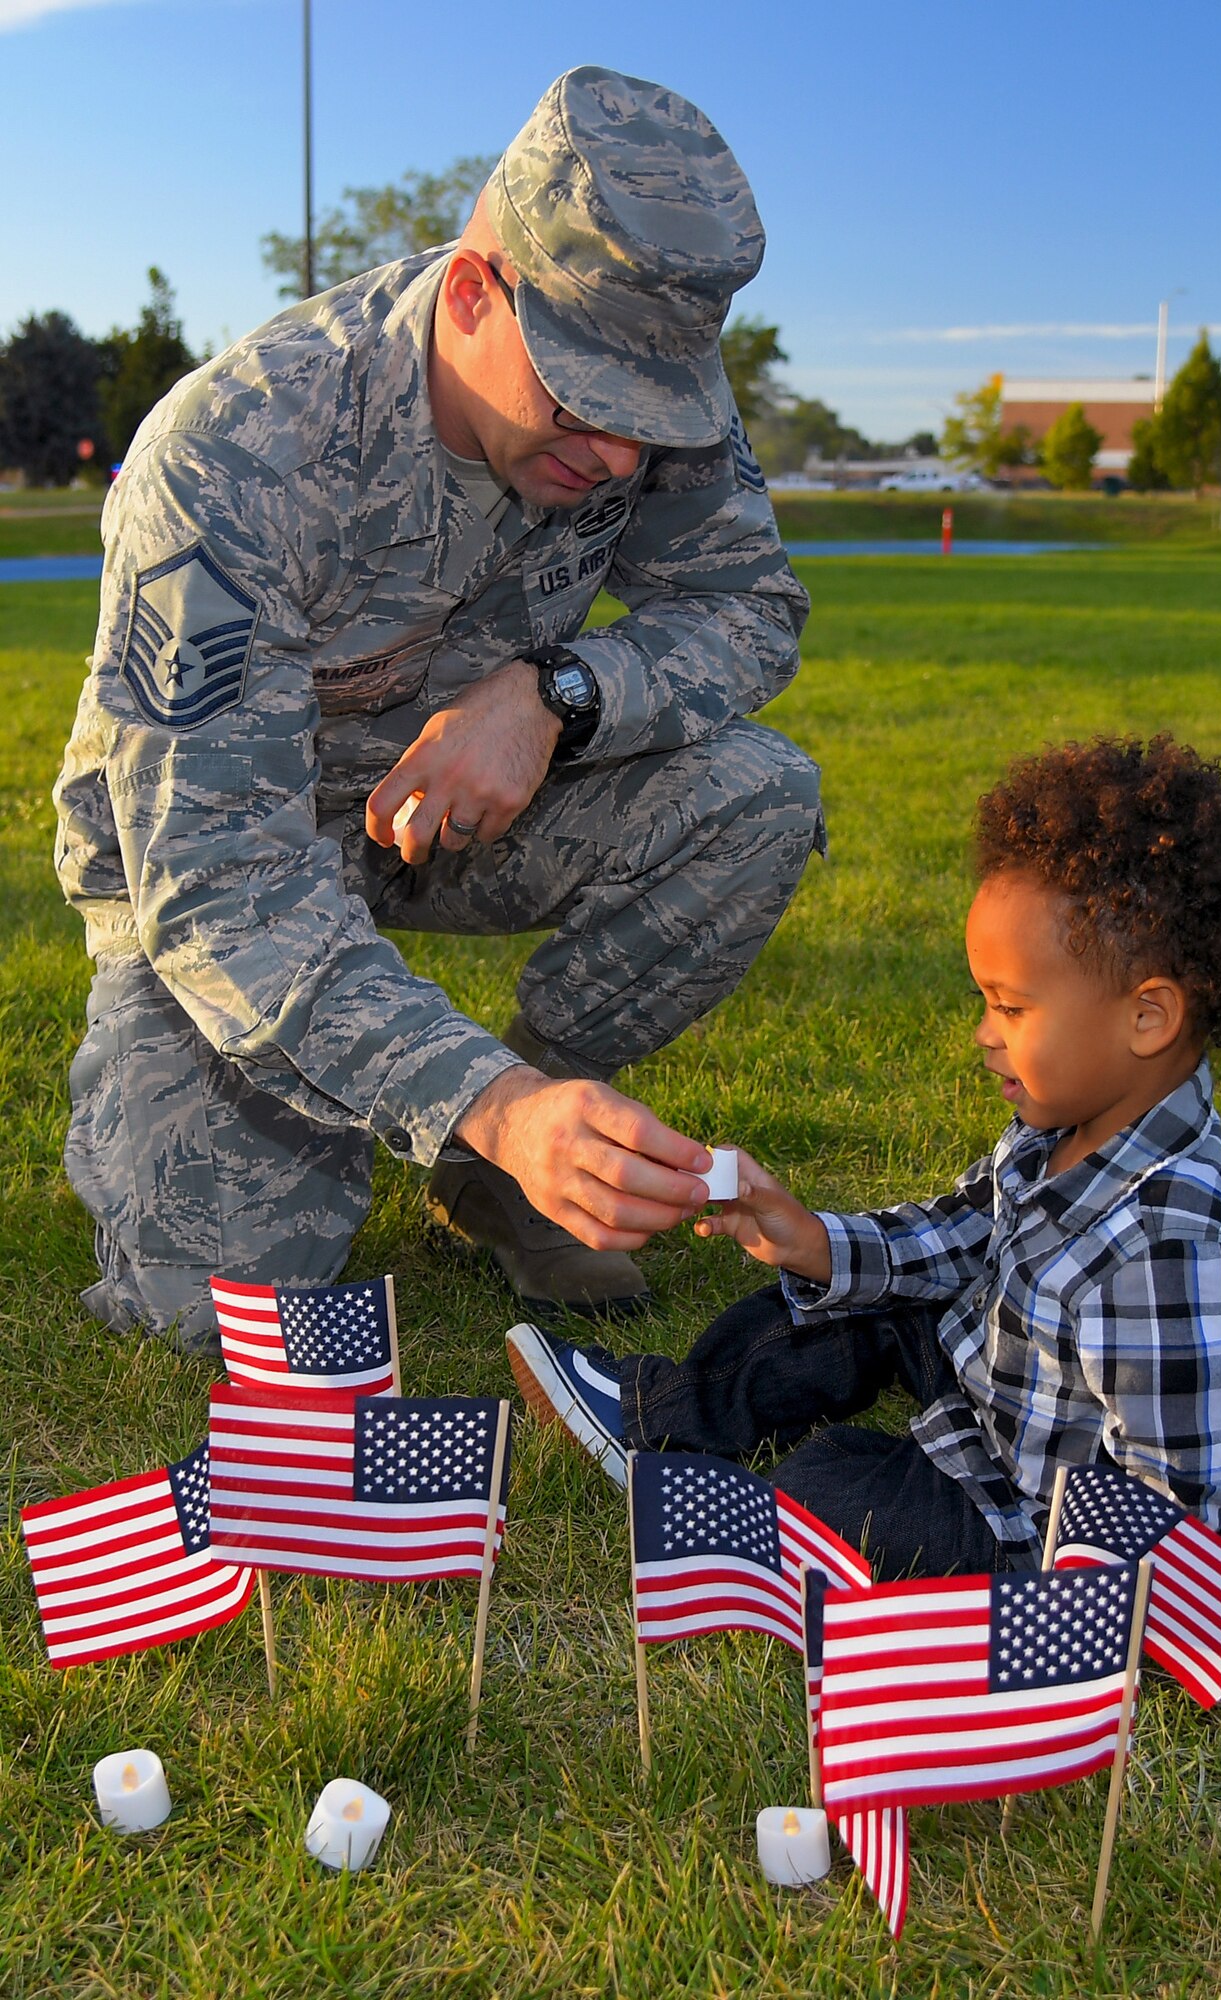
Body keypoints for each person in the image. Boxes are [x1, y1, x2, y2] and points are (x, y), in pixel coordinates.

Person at [53, 66, 821, 1349]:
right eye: (587, 401)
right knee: (237, 1312)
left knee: (757, 796)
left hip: (448, 821)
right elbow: (221, 883)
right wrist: (485, 1091)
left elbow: (750, 610)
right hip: (235, 870)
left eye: (655, 414)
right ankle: (502, 1127)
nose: (626, 457)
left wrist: (554, 695)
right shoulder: (239, 451)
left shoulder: (641, 390)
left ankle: (504, 1166)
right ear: (474, 292)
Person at [506, 735, 1221, 1578]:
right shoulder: (1062, 1124)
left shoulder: (1172, 1243)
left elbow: (1179, 1518)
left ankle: (756, 1539)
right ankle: (651, 1414)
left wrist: (1074, 1602)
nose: (984, 1036)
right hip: (989, 1366)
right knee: (829, 1306)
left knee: (824, 1487)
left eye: (1012, 1009)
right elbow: (963, 1233)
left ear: (1147, 1018)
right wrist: (812, 1240)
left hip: (1019, 1497)